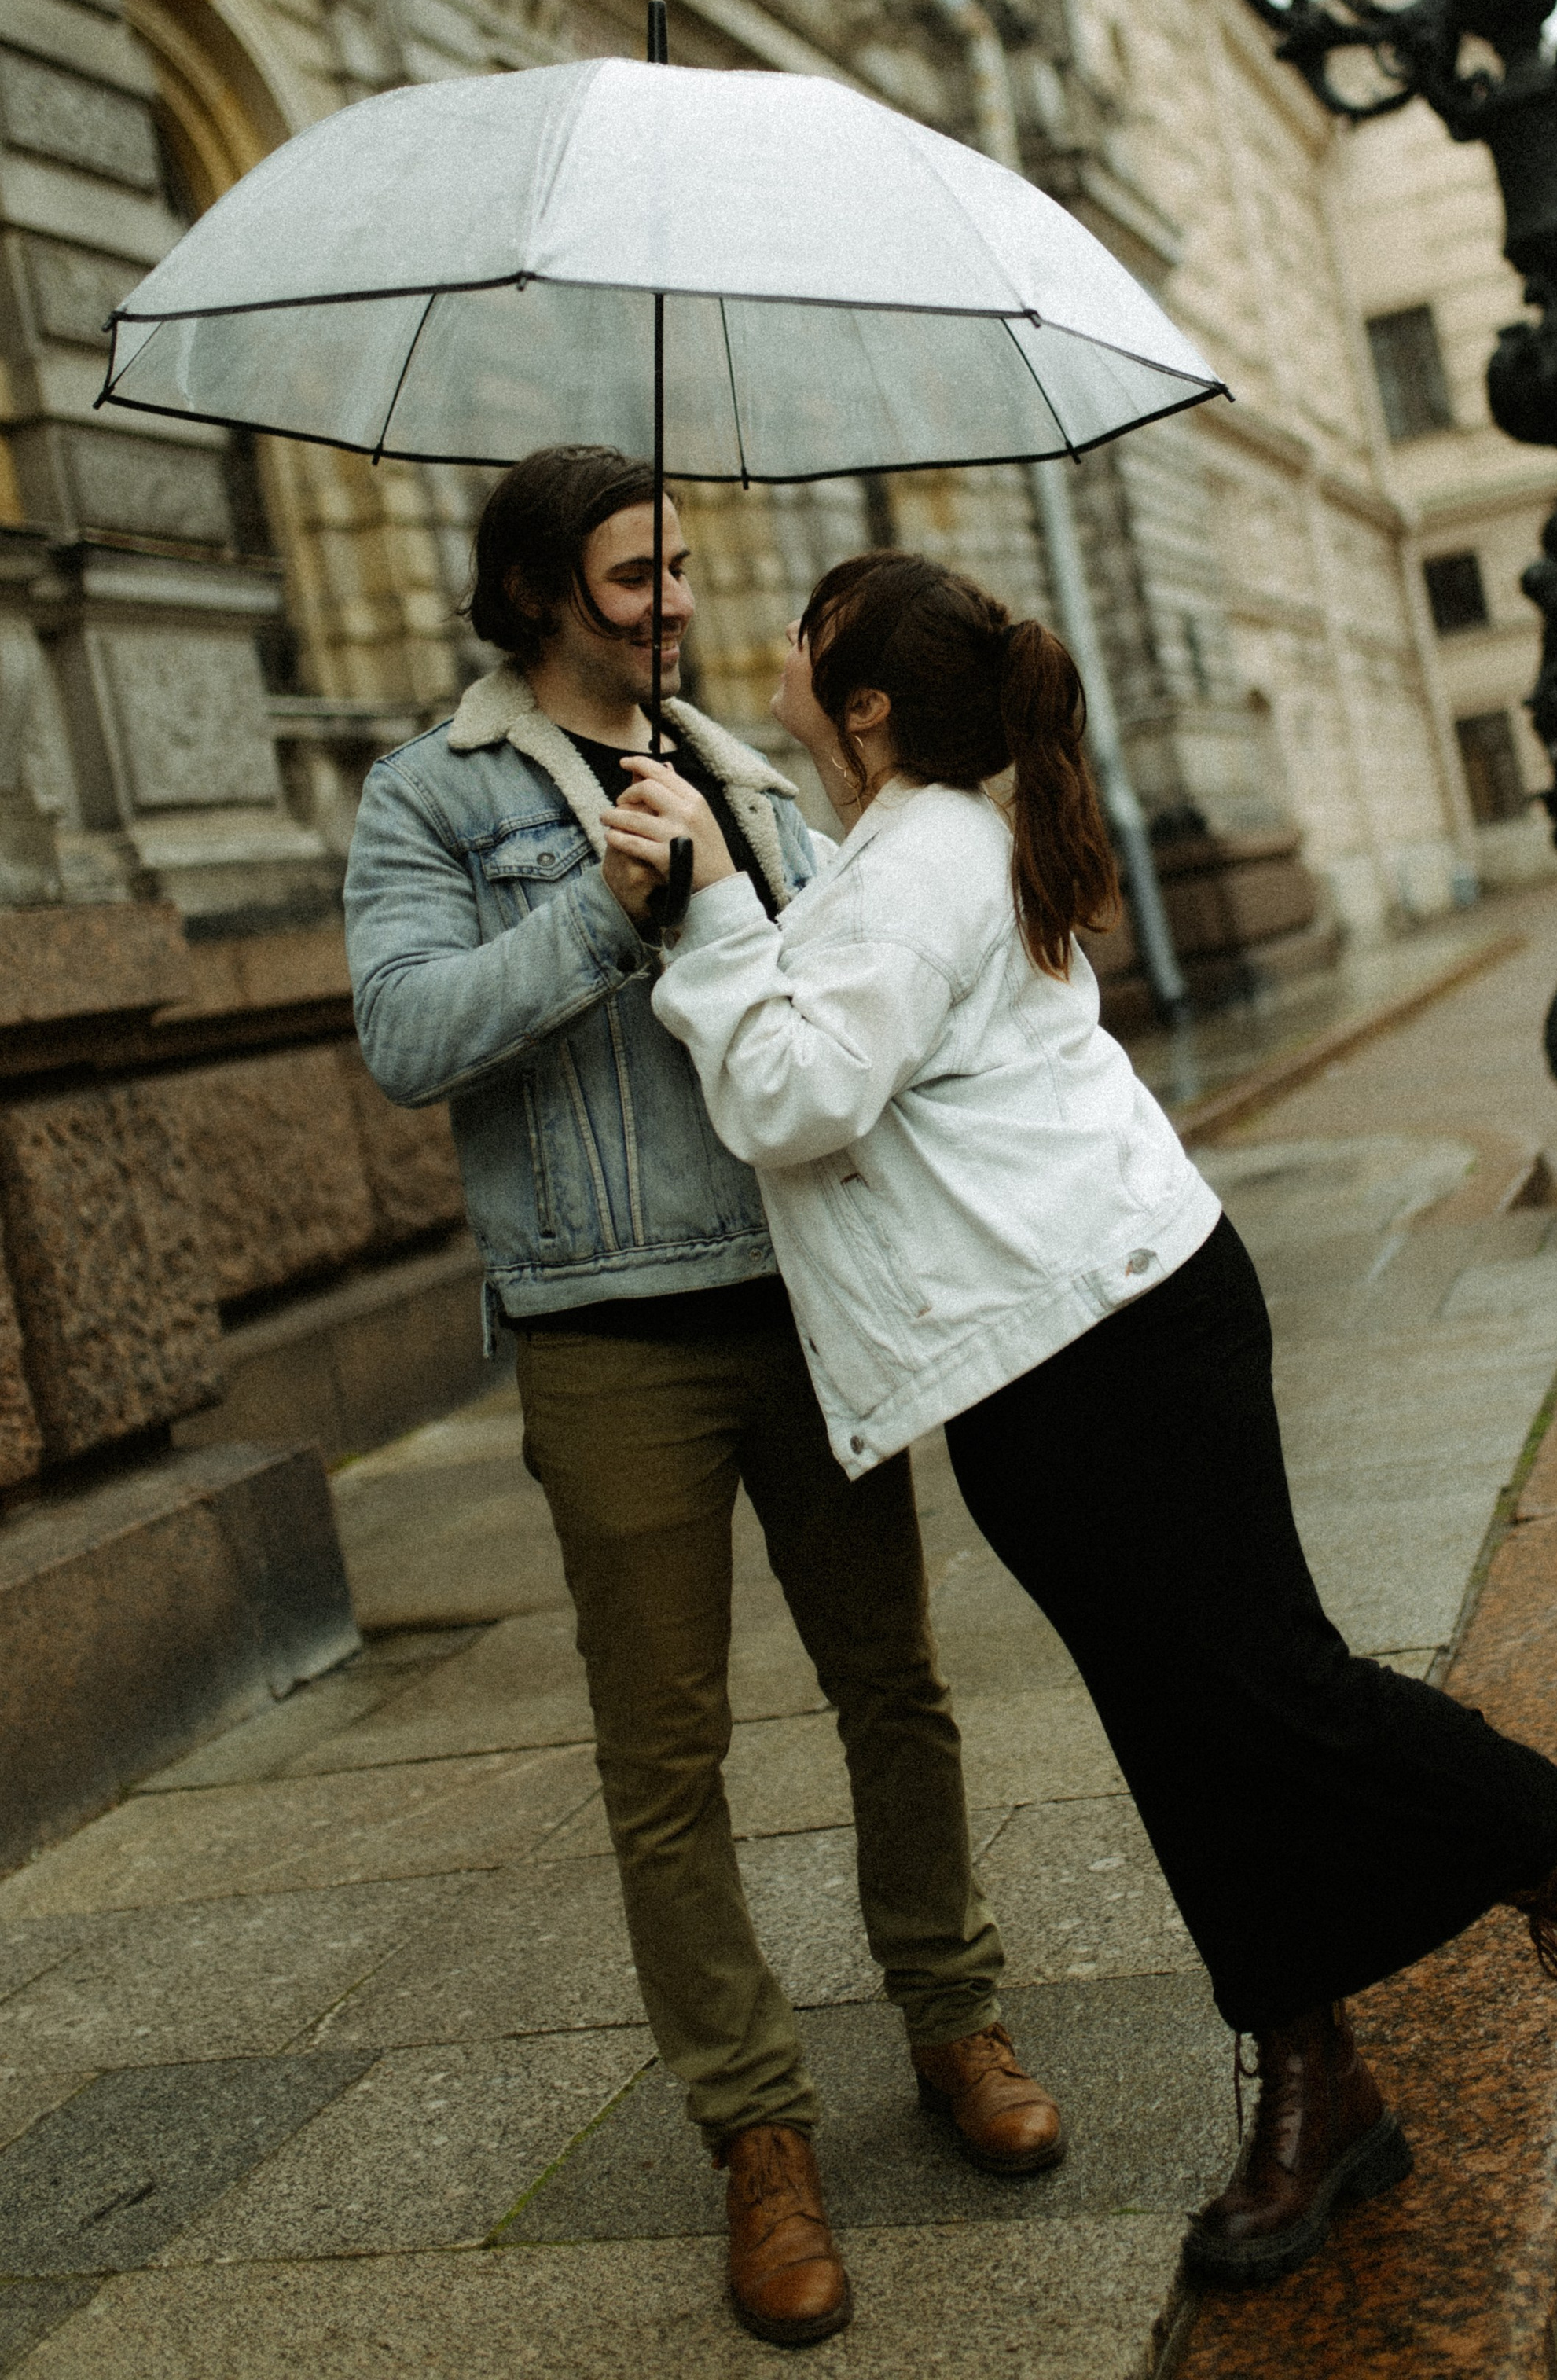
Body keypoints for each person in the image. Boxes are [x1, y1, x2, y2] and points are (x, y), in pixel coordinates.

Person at [608, 548, 1557, 2296]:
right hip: (1037, 1351)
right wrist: (708, 888)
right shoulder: (895, 849)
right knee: (1179, 1732)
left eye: (802, 634)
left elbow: (796, 1090)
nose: (763, 646)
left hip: (1114, 1338)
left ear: (859, 705)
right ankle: (1317, 2078)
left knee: (1277, 1695)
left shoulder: (923, 855)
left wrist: (701, 916)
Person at [344, 456, 1063, 2354]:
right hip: (605, 1331)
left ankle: (950, 2018)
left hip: (799, 1301)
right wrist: (597, 911)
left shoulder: (748, 773)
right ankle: (757, 2138)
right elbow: (406, 1036)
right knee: (665, 1759)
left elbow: (837, 1014)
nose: (669, 599)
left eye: (677, 565)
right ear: (533, 590)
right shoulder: (433, 794)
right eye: (630, 572)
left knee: (892, 1685)